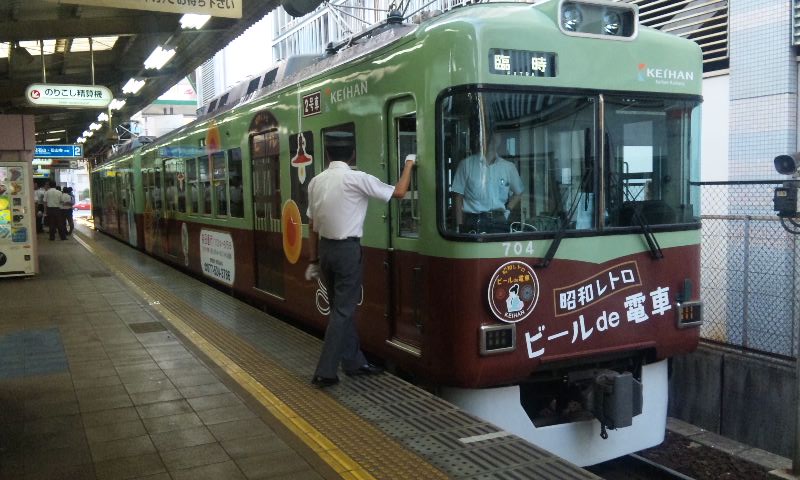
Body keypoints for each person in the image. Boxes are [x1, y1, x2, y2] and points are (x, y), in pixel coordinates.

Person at [304, 148, 417, 387]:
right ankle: (325, 371)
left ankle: (353, 361)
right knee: (343, 311)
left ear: (327, 156)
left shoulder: (316, 182)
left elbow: (311, 224)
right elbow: (399, 192)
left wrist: (313, 260)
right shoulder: (357, 179)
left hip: (325, 251)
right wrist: (409, 164)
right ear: (353, 155)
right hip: (347, 251)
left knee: (339, 309)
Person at [451, 131, 523, 233]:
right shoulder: (465, 165)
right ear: (480, 138)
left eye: (495, 133)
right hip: (474, 221)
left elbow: (518, 192)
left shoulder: (509, 167)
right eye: (488, 133)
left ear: (500, 138)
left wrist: (507, 211)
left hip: (500, 221)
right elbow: (458, 197)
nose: (491, 138)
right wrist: (459, 227)